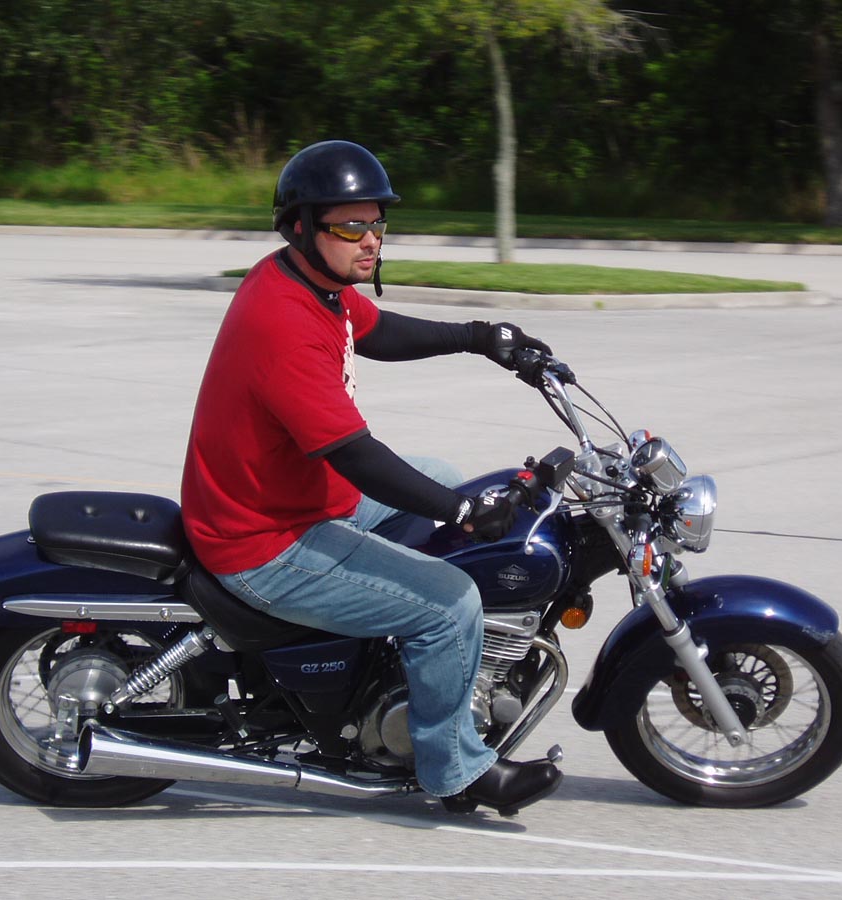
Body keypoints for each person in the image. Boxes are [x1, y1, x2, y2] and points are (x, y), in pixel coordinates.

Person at [180, 139, 562, 815]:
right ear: (303, 227)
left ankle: (385, 660)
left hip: (294, 502)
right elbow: (358, 457)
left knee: (442, 476)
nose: (371, 239)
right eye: (351, 225)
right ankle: (456, 769)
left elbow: (379, 332)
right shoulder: (283, 321)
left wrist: (479, 337)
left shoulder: (313, 284)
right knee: (451, 602)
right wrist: (462, 513)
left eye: (378, 222)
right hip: (264, 542)